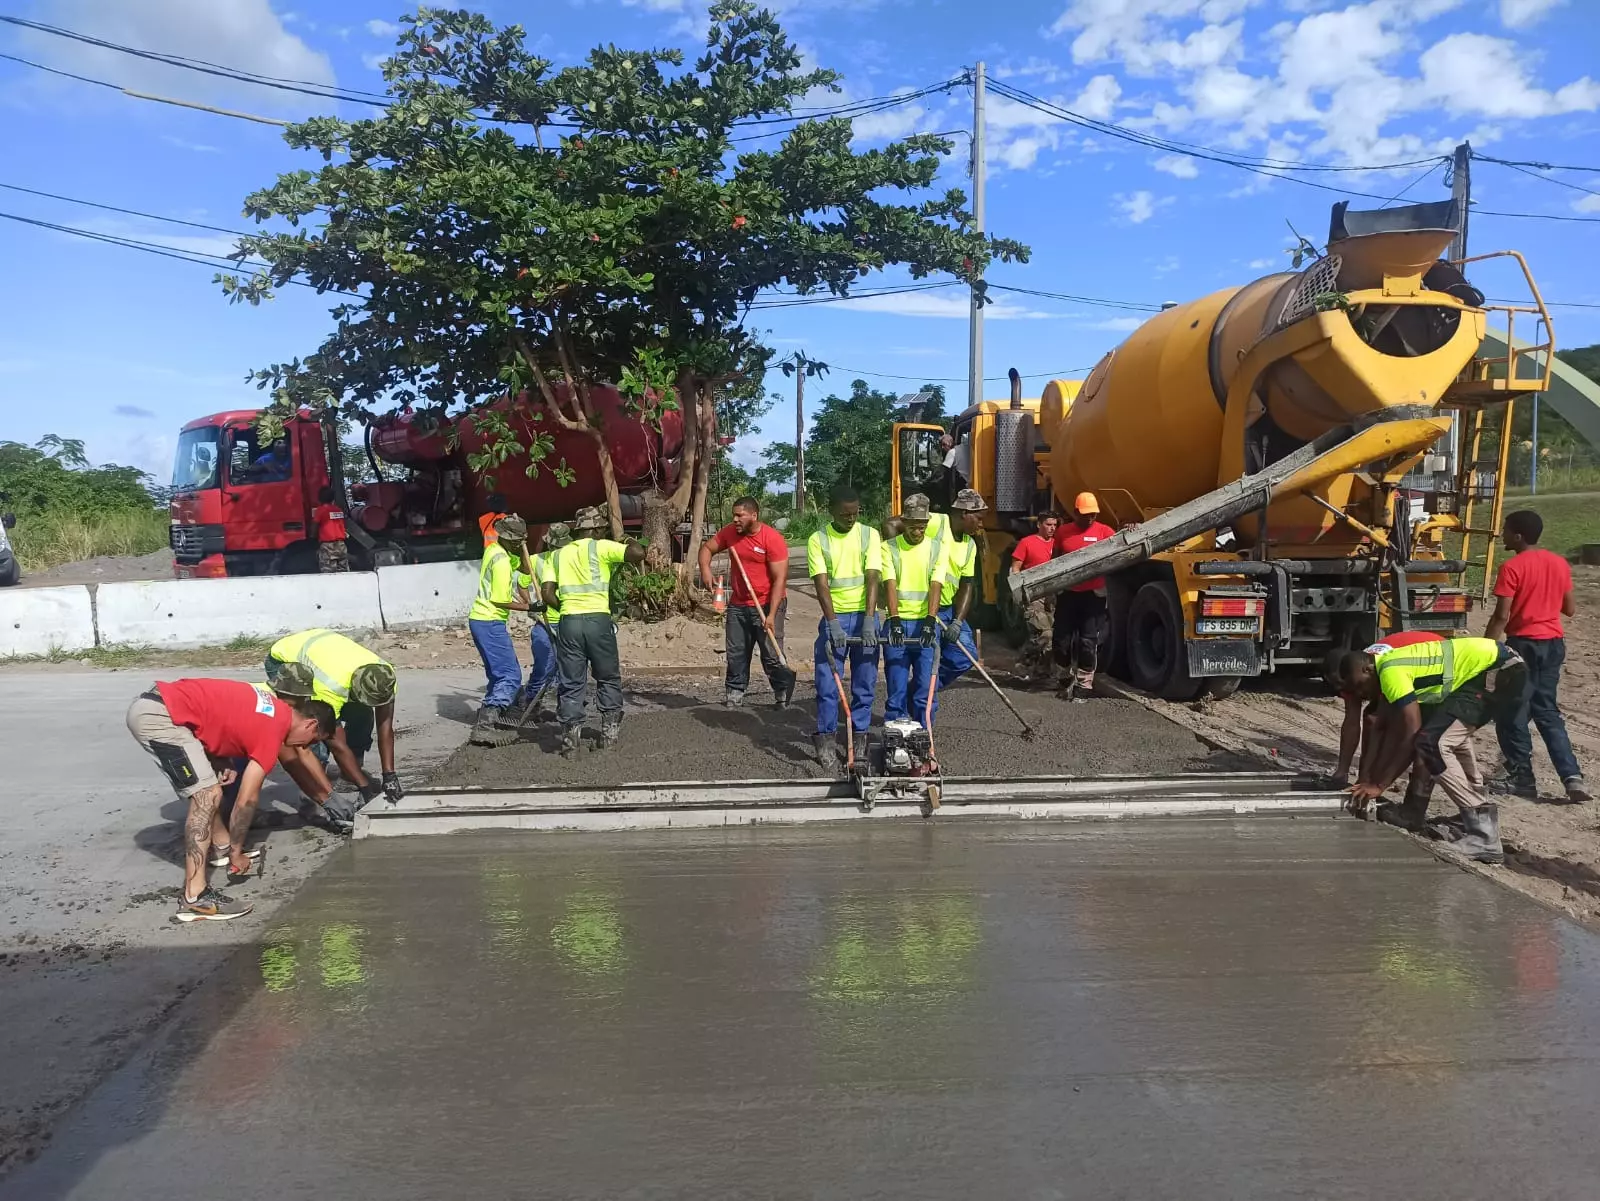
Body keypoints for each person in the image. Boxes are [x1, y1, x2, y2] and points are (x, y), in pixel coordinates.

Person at [126, 679, 334, 921]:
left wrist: (219, 758)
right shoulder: (274, 730)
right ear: (311, 724)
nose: (307, 746)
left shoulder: (274, 710)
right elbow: (246, 800)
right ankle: (196, 898)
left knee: (210, 787)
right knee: (207, 795)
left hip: (163, 707)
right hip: (161, 716)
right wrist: (238, 852)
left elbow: (218, 716)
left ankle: (221, 846)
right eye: (314, 740)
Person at [1341, 636, 1527, 863]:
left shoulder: (1390, 671)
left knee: (1433, 743)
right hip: (1489, 670)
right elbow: (1392, 733)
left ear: (1368, 668)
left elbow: (1411, 735)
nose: (1361, 693)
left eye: (1360, 684)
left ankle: (1483, 834)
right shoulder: (1392, 669)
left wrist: (1379, 785)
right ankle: (1469, 815)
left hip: (1497, 671)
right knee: (1443, 734)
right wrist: (1370, 780)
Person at [1486, 510, 1589, 803]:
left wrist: (1486, 650)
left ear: (1518, 535)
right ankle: (1572, 778)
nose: (1502, 535)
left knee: (1512, 712)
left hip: (1523, 645)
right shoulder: (1558, 563)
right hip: (1553, 644)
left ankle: (1522, 779)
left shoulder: (1512, 567)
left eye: (1505, 530)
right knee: (1547, 712)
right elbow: (1569, 609)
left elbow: (1501, 616)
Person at [265, 628, 404, 822]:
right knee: (315, 734)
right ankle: (314, 795)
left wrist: (390, 775)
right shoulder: (330, 686)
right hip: (286, 659)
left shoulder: (385, 678)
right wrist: (366, 789)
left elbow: (385, 726)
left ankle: (350, 774)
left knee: (362, 714)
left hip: (326, 651)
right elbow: (335, 742)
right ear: (354, 688)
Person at [543, 505, 646, 756]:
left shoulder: (556, 555)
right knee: (607, 676)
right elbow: (638, 553)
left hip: (569, 623)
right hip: (598, 622)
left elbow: (546, 593)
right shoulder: (602, 547)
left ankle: (570, 740)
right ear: (598, 529)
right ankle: (608, 735)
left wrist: (567, 607)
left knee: (572, 682)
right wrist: (626, 538)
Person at [807, 484, 883, 775]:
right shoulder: (819, 539)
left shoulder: (869, 535)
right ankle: (826, 742)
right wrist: (832, 622)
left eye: (854, 514)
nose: (850, 520)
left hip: (864, 618)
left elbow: (873, 577)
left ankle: (859, 741)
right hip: (835, 619)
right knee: (827, 685)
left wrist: (869, 619)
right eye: (844, 515)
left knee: (864, 685)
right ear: (831, 511)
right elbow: (821, 584)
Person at [1326, 631, 1441, 817]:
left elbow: (1396, 728)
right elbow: (1352, 723)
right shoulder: (1356, 671)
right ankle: (1366, 783)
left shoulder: (1382, 672)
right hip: (1411, 670)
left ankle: (1414, 811)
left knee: (1425, 741)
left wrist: (1377, 783)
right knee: (1373, 718)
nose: (1347, 692)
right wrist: (1343, 772)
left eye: (1348, 686)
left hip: (1437, 671)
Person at [698, 496, 793, 708]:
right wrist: (705, 569)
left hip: (768, 602)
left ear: (754, 515)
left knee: (770, 652)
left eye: (740, 515)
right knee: (736, 651)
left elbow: (780, 580)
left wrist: (771, 615)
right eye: (734, 515)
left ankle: (782, 690)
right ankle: (735, 690)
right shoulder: (730, 533)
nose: (735, 519)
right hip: (739, 603)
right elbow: (707, 549)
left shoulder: (772, 539)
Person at [468, 514, 534, 747]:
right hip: (490, 620)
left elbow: (526, 570)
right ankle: (485, 726)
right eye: (515, 541)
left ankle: (500, 713)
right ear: (507, 539)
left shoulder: (495, 550)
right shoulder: (502, 562)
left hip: (481, 620)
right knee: (510, 675)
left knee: (499, 673)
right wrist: (530, 606)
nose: (518, 545)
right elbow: (499, 600)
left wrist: (523, 547)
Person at [881, 493, 947, 726]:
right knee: (896, 684)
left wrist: (931, 620)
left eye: (922, 527)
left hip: (925, 623)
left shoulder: (937, 548)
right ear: (904, 524)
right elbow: (890, 584)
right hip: (897, 623)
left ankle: (924, 733)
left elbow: (936, 585)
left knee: (925, 685)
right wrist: (895, 620)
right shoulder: (888, 548)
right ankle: (895, 730)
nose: (917, 532)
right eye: (913, 527)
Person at [1052, 492, 1116, 701]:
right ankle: (1064, 676)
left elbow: (1123, 546)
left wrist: (1131, 529)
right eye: (1086, 514)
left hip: (1093, 595)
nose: (1090, 518)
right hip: (1068, 593)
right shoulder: (1063, 533)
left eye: (1093, 515)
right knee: (1061, 640)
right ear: (1076, 512)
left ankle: (1084, 684)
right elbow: (1054, 561)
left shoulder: (1105, 532)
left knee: (1088, 642)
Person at [933, 488, 986, 712]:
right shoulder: (936, 523)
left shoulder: (969, 544)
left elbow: (967, 584)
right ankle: (921, 698)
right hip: (925, 610)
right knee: (929, 661)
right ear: (965, 513)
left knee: (966, 656)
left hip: (947, 610)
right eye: (979, 518)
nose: (981, 524)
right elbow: (892, 524)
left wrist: (957, 621)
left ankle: (924, 688)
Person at [519, 521, 567, 722]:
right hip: (545, 623)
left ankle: (565, 706)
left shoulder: (571, 560)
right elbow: (521, 585)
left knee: (566, 668)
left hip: (568, 622)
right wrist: (531, 605)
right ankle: (531, 703)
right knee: (544, 665)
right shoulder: (535, 560)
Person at [1012, 513, 1060, 682]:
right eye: (1048, 524)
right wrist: (1018, 592)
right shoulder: (1027, 542)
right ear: (1039, 524)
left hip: (1052, 596)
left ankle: (1043, 672)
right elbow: (1015, 568)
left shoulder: (1057, 544)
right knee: (1044, 633)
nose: (1052, 528)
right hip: (1033, 595)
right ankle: (1023, 663)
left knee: (1052, 637)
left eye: (1055, 524)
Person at [311, 486, 349, 573]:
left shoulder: (321, 510)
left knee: (328, 573)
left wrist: (312, 537)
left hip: (328, 546)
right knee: (343, 572)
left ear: (320, 498)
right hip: (341, 545)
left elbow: (314, 525)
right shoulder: (338, 510)